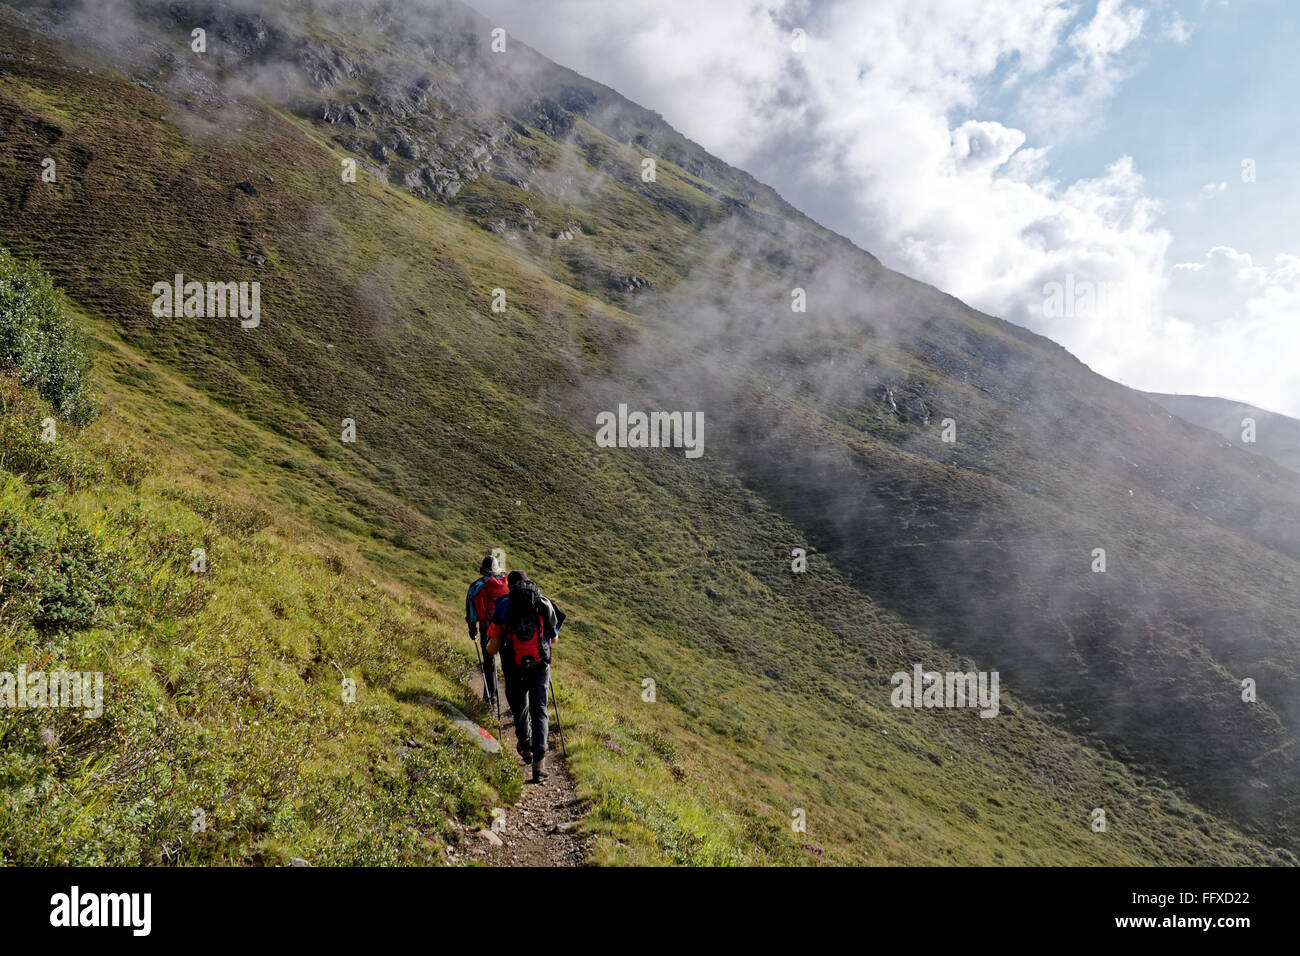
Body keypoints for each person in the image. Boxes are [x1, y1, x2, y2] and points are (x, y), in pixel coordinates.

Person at [487, 570, 565, 782]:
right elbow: (554, 639)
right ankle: (539, 764)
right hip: (540, 666)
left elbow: (492, 649)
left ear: (509, 586)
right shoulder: (542, 602)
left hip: (514, 667)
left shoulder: (504, 605)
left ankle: (525, 743)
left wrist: (496, 641)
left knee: (520, 708)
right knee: (540, 710)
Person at [465, 554, 509, 711]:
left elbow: (471, 613)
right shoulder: (506, 584)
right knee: (507, 664)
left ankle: (491, 698)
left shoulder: (477, 586)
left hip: (487, 629)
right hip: (506, 630)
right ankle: (514, 702)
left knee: (489, 664)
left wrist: (472, 630)